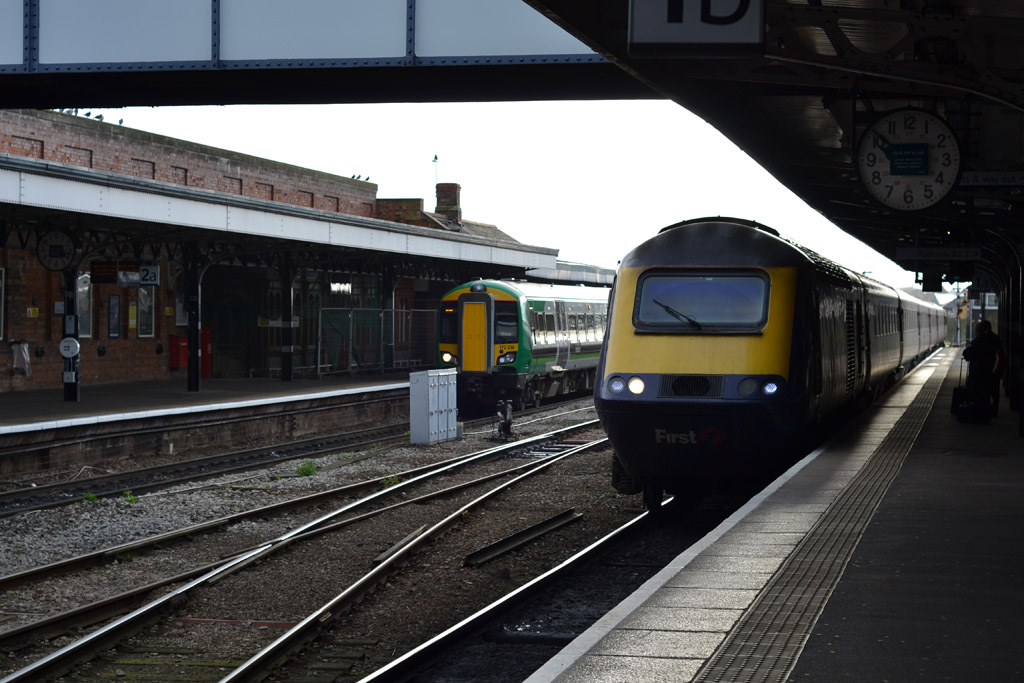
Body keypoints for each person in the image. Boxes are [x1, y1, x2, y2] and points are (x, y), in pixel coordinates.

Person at [962, 319, 1003, 422]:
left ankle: (981, 415)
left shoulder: (979, 340)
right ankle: (990, 413)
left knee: (980, 394)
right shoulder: (995, 339)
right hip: (991, 371)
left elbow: (967, 353)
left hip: (979, 372)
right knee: (991, 393)